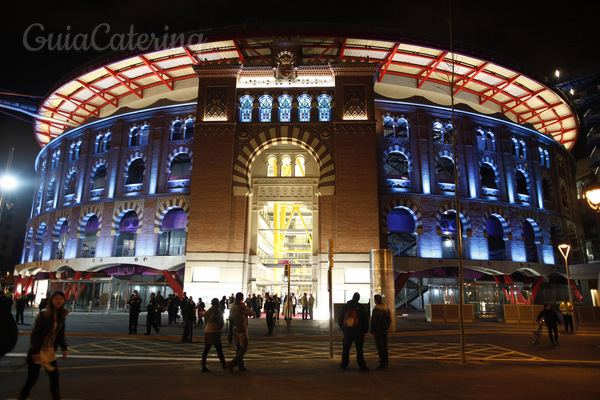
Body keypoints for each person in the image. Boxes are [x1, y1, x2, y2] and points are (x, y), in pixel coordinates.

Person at [17, 291, 69, 400]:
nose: (59, 301)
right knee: (32, 379)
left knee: (54, 377)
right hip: (38, 350)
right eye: (56, 298)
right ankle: (22, 397)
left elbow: (60, 335)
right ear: (51, 300)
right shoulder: (44, 315)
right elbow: (35, 334)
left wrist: (64, 347)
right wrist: (35, 352)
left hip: (49, 351)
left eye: (61, 298)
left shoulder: (61, 316)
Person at [338, 292, 369, 371]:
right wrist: (364, 330)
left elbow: (340, 318)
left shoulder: (346, 307)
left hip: (347, 331)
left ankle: (344, 364)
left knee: (346, 349)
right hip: (358, 332)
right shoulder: (361, 307)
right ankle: (361, 366)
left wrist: (343, 328)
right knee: (359, 349)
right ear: (358, 299)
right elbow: (365, 320)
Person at [227, 292, 254, 373]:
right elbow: (252, 313)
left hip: (234, 329)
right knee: (244, 348)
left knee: (238, 348)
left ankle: (241, 366)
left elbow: (230, 319)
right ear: (242, 298)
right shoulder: (242, 307)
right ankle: (232, 363)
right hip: (242, 329)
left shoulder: (232, 307)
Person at [201, 298, 227, 372]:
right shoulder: (218, 312)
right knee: (219, 349)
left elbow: (205, 321)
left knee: (206, 349)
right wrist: (220, 329)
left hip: (208, 330)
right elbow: (220, 323)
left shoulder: (208, 311)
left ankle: (203, 365)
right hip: (215, 331)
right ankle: (224, 364)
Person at [371, 294, 391, 370]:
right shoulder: (386, 309)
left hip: (378, 331)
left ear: (375, 301)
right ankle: (386, 362)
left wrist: (372, 331)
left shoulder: (376, 310)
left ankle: (382, 363)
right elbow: (389, 320)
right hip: (384, 330)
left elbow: (374, 322)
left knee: (380, 347)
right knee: (385, 347)